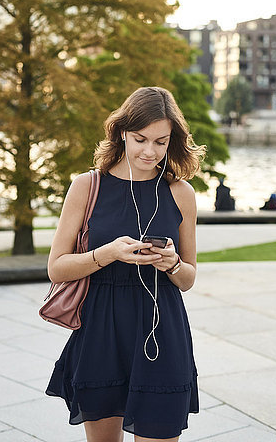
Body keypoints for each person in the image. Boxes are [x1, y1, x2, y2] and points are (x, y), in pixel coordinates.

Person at [45, 86, 206, 442]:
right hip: (100, 330)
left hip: (162, 333)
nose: (150, 151)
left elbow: (189, 278)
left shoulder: (181, 193)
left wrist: (172, 263)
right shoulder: (87, 186)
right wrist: (109, 253)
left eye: (161, 142)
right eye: (140, 139)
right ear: (121, 132)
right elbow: (56, 267)